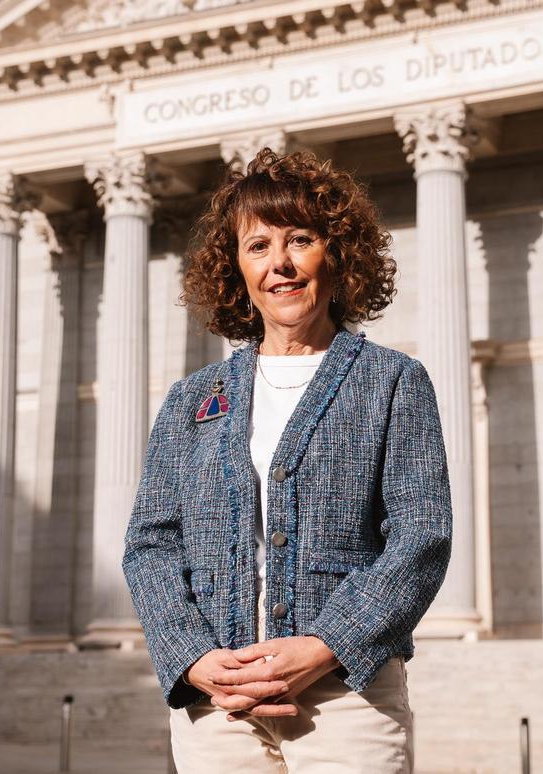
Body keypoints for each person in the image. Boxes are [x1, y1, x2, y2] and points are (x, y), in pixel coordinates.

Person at [122, 147, 452, 773]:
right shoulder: (192, 400)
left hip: (346, 699)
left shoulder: (393, 382)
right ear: (236, 269)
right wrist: (192, 657)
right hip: (216, 706)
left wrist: (327, 645)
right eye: (257, 246)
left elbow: (421, 537)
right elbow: (151, 545)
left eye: (300, 239)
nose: (280, 264)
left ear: (337, 252)